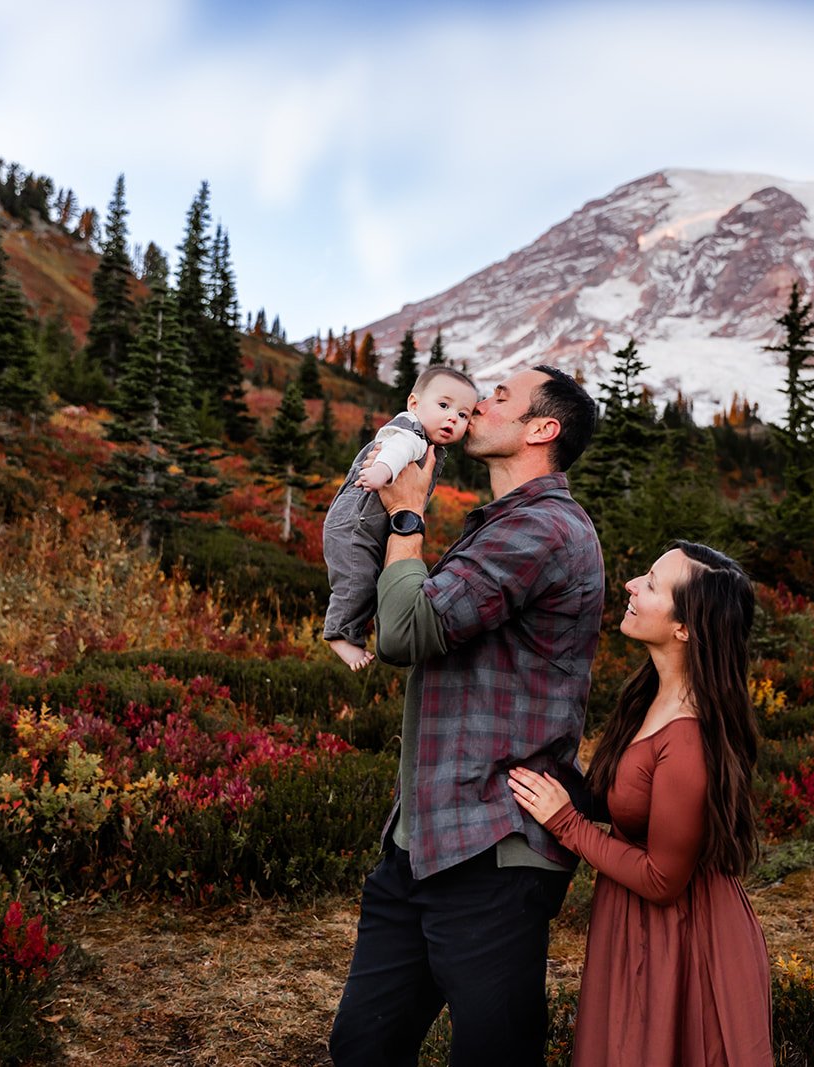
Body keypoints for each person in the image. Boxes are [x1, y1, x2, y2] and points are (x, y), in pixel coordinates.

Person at [328, 366, 605, 1067]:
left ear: (542, 430)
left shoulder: (543, 528)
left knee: (492, 1056)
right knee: (362, 1047)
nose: (481, 402)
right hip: (421, 844)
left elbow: (404, 633)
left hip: (492, 850)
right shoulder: (502, 524)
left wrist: (407, 516)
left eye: (503, 397)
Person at [509, 541, 773, 1067]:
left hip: (685, 938)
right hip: (640, 926)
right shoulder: (651, 692)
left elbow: (662, 879)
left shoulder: (690, 737)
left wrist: (567, 823)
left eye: (651, 584)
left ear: (686, 628)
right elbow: (630, 801)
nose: (630, 585)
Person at [320, 365, 479, 670]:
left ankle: (355, 629)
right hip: (355, 526)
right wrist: (382, 471)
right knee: (356, 582)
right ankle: (339, 635)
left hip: (368, 526)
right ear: (414, 404)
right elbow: (396, 449)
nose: (452, 418)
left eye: (463, 415)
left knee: (374, 582)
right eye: (444, 406)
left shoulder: (428, 442)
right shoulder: (411, 432)